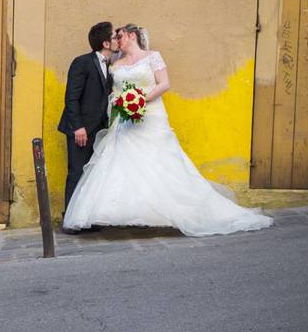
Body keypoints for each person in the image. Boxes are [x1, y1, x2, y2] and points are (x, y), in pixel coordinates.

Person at [62, 24, 273, 236]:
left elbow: (164, 84)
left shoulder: (153, 57)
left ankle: (180, 211)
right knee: (125, 166)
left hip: (150, 117)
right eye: (115, 37)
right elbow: (110, 92)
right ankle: (135, 214)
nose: (118, 39)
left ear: (132, 36)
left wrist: (139, 101)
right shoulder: (115, 62)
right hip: (125, 123)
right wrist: (122, 104)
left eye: (121, 35)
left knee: (158, 163)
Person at [58, 22, 118, 219]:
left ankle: (87, 218)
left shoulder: (112, 65)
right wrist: (78, 127)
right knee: (76, 172)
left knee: (93, 175)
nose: (118, 39)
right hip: (81, 129)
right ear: (106, 43)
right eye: (115, 36)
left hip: (100, 129)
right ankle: (70, 218)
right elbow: (71, 97)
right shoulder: (82, 62)